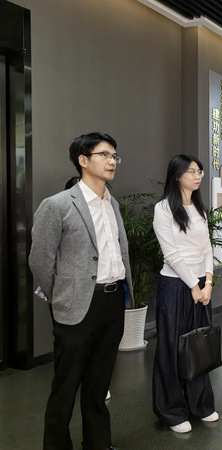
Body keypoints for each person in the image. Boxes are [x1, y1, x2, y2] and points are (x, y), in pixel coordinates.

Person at [29, 132, 134, 449]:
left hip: (112, 302)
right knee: (65, 386)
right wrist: (59, 297)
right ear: (83, 160)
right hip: (75, 306)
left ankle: (98, 443)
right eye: (104, 155)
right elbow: (40, 261)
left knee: (99, 383)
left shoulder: (112, 204)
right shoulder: (57, 205)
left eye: (114, 155)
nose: (112, 161)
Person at [152, 154, 218, 433]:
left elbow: (207, 248)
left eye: (199, 171)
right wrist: (193, 285)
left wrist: (208, 282)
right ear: (177, 175)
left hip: (201, 285)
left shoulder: (200, 209)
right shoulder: (163, 208)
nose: (198, 175)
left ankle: (200, 404)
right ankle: (172, 411)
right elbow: (171, 253)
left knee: (198, 345)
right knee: (172, 347)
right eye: (192, 171)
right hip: (175, 285)